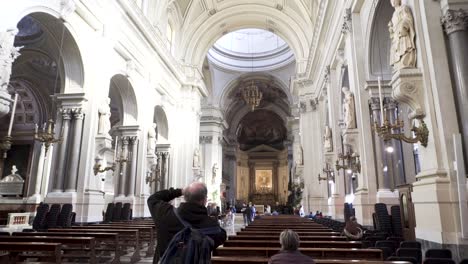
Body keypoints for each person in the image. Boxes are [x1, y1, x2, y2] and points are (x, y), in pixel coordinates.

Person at [147, 182, 227, 263]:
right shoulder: (214, 228)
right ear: (205, 200)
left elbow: (153, 199)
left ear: (185, 197)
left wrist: (180, 191)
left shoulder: (165, 214)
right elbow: (222, 235)